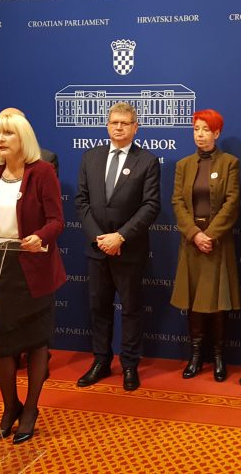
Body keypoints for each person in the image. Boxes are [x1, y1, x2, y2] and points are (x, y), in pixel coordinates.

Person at [0, 110, 66, 444]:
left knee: (35, 343)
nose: (1, 140)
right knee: (1, 344)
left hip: (33, 267)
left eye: (7, 134)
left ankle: (30, 409)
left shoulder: (42, 171)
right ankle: (10, 407)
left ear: (23, 138)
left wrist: (39, 236)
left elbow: (56, 221)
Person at [74, 102, 161, 391]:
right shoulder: (90, 157)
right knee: (99, 308)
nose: (119, 127)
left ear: (136, 128)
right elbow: (81, 201)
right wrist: (99, 238)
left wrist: (120, 237)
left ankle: (130, 364)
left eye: (125, 123)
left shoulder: (147, 161)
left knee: (131, 309)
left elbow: (151, 205)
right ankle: (101, 360)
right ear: (107, 126)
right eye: (114, 122)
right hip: (97, 248)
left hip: (129, 249)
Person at [170, 109, 241, 382]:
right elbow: (177, 201)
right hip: (191, 242)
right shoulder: (184, 165)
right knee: (194, 303)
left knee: (218, 303)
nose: (200, 134)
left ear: (217, 133)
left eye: (205, 129)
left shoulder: (230, 163)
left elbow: (232, 202)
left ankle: (219, 357)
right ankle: (196, 356)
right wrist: (194, 234)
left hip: (217, 243)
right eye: (196, 129)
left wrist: (209, 235)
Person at [0, 109, 58, 211]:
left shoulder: (45, 165)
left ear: (24, 133)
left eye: (8, 132)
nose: (0, 139)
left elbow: (51, 214)